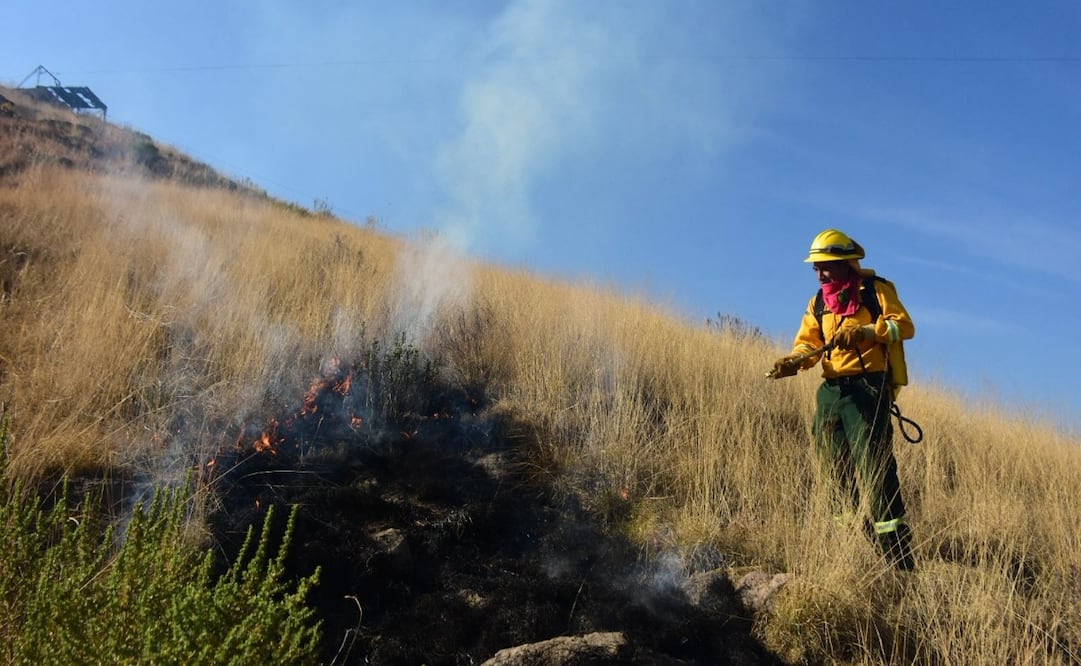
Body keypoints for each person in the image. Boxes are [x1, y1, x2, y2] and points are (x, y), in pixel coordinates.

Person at [771, 229, 916, 571]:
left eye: (826, 266)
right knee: (833, 469)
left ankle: (898, 559)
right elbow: (808, 343)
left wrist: (867, 332)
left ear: (846, 264)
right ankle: (852, 545)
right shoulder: (818, 303)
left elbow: (904, 326)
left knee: (875, 470)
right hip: (831, 393)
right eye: (816, 268)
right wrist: (793, 361)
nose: (820, 274)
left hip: (867, 389)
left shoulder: (876, 291)